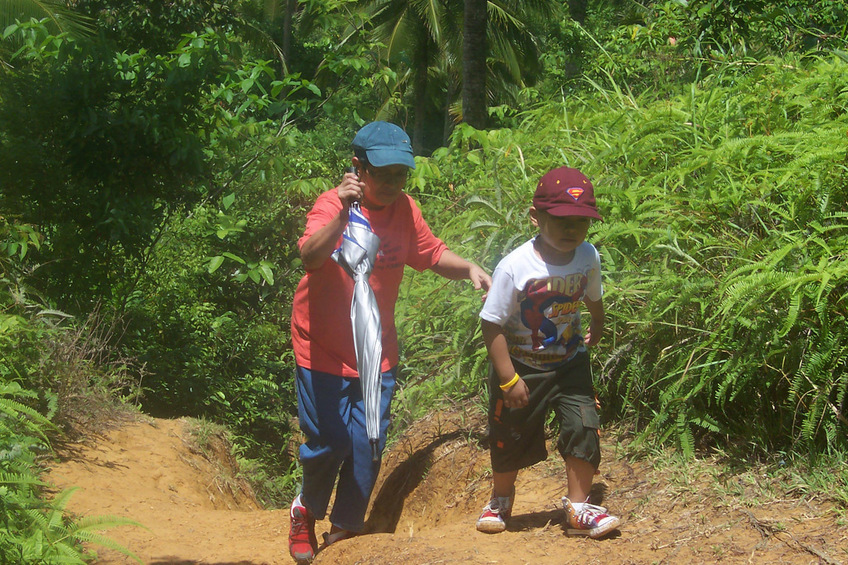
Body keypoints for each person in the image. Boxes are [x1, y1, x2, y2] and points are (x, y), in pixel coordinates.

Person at [288, 121, 492, 563]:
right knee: (330, 439)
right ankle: (305, 511)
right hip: (320, 345)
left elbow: (431, 253)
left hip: (375, 350)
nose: (394, 185)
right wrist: (342, 215)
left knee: (369, 439)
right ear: (358, 168)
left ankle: (345, 528)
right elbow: (310, 256)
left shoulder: (405, 209)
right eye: (385, 175)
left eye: (402, 176)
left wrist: (470, 267)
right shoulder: (330, 207)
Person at [475, 166, 621, 539]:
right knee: (510, 433)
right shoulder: (515, 267)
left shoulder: (587, 255)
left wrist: (599, 323)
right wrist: (508, 378)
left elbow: (592, 295)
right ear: (535, 217)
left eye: (581, 222)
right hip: (523, 365)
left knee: (583, 424)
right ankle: (502, 499)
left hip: (571, 361)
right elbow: (491, 324)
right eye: (561, 220)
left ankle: (579, 507)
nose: (572, 230)